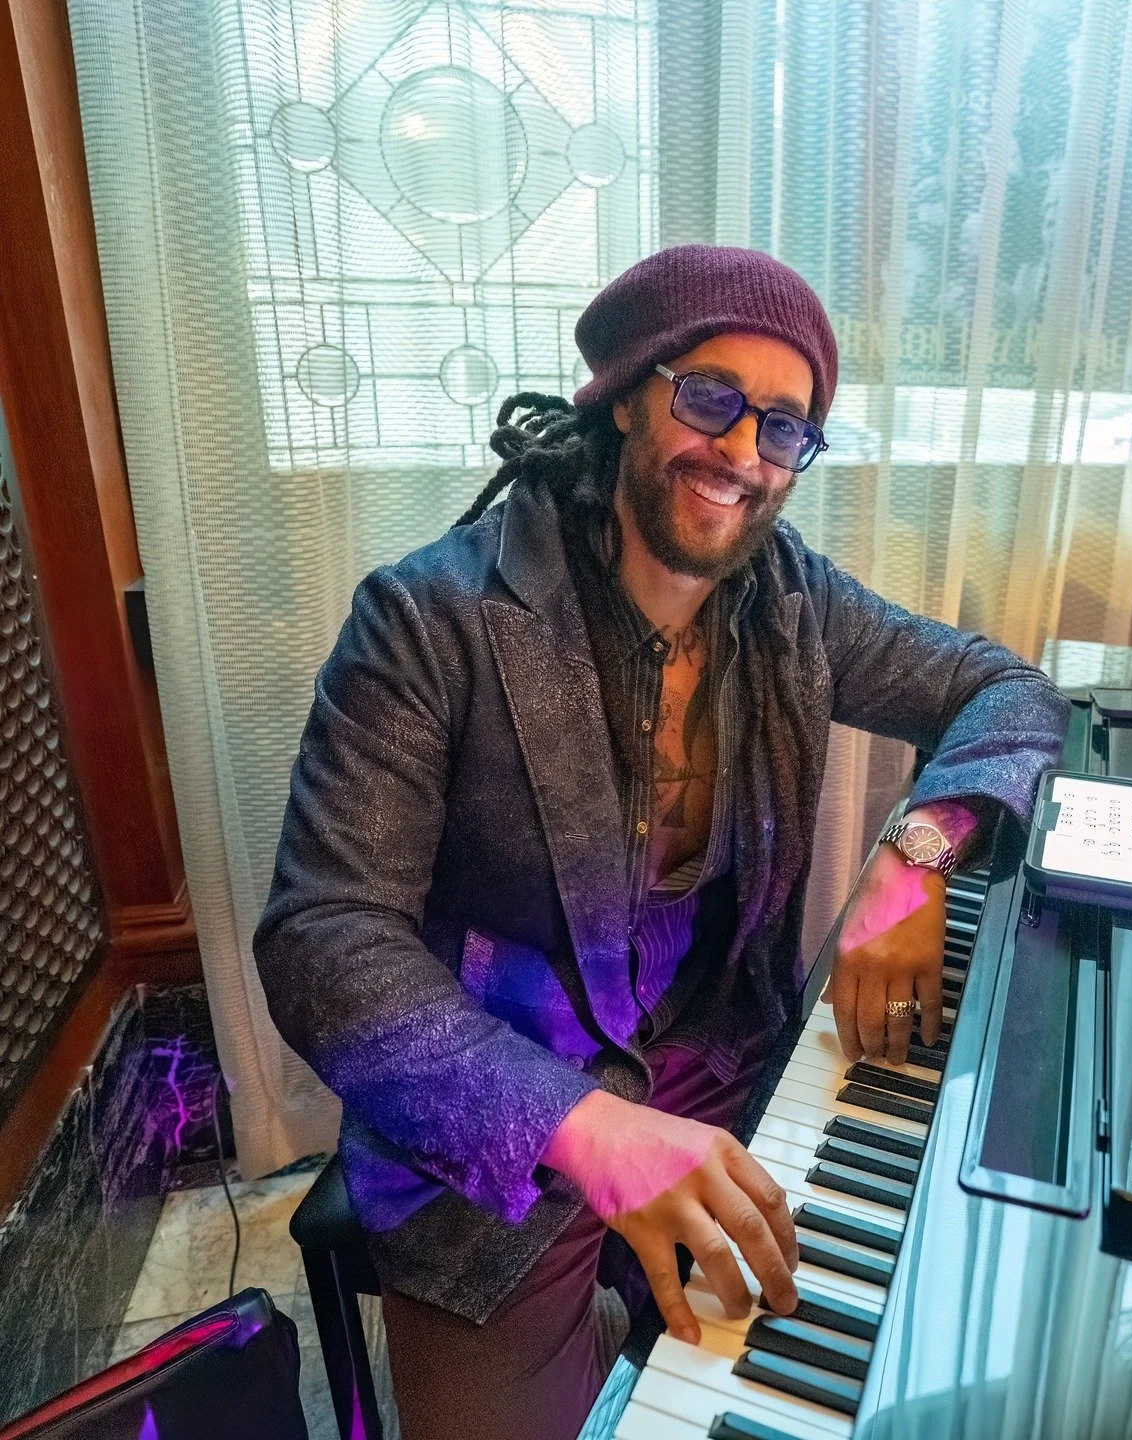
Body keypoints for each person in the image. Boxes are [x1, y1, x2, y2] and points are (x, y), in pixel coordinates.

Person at [254, 244, 1070, 1440]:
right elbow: (322, 939)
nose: (744, 451)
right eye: (712, 399)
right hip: (500, 1134)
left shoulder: (793, 600)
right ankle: (597, 1327)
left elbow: (1008, 690)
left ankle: (630, 1331)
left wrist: (920, 850)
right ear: (629, 395)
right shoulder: (430, 618)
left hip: (722, 1066)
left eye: (786, 427)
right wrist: (584, 1128)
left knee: (849, 1362)